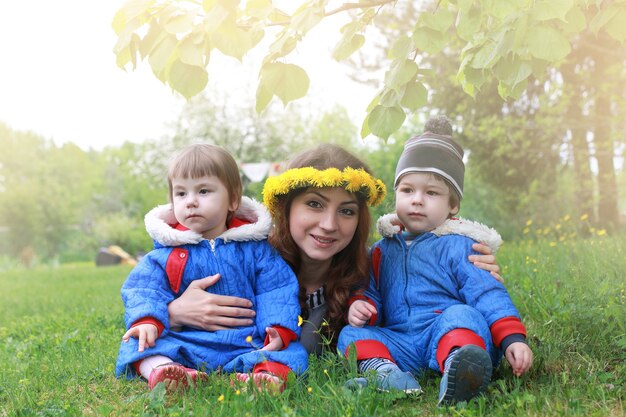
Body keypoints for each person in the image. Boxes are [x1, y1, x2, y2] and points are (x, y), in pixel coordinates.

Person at [165, 144, 503, 355]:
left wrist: (469, 268)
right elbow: (149, 298)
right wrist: (174, 313)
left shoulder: (374, 268)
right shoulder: (242, 259)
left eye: (346, 210)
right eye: (314, 204)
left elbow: (429, 288)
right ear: (286, 208)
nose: (329, 224)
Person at [337, 116, 533, 405]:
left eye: (431, 193)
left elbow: (487, 293)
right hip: (400, 341)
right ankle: (387, 373)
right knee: (351, 334)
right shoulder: (381, 250)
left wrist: (512, 338)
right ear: (396, 195)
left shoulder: (461, 246)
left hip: (444, 333)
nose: (417, 200)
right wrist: (362, 306)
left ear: (453, 205)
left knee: (463, 315)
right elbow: (371, 292)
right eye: (407, 190)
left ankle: (460, 367)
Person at [116, 144, 308, 393]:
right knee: (137, 342)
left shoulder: (254, 249)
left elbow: (277, 289)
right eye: (181, 193)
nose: (191, 202)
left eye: (203, 191)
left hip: (248, 340)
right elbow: (144, 288)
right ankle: (166, 371)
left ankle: (262, 378)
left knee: (291, 351)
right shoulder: (168, 253)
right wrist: (148, 320)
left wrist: (278, 328)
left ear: (233, 199)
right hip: (189, 341)